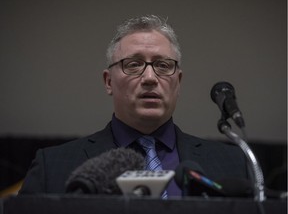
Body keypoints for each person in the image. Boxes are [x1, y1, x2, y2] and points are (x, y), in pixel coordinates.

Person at [18, 15, 249, 197]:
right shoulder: (53, 167)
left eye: (163, 65)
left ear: (178, 82)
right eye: (134, 64)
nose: (149, 77)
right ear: (109, 82)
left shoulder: (232, 164)